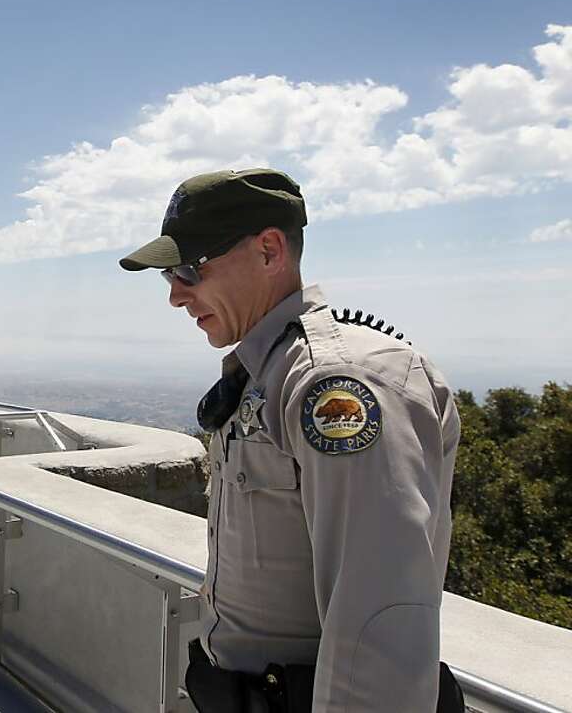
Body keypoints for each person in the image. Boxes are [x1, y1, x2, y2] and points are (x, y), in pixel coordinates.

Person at [119, 168, 464, 712]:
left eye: (189, 268)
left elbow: (380, 626)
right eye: (168, 277)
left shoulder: (336, 385)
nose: (176, 296)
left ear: (269, 250)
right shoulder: (268, 373)